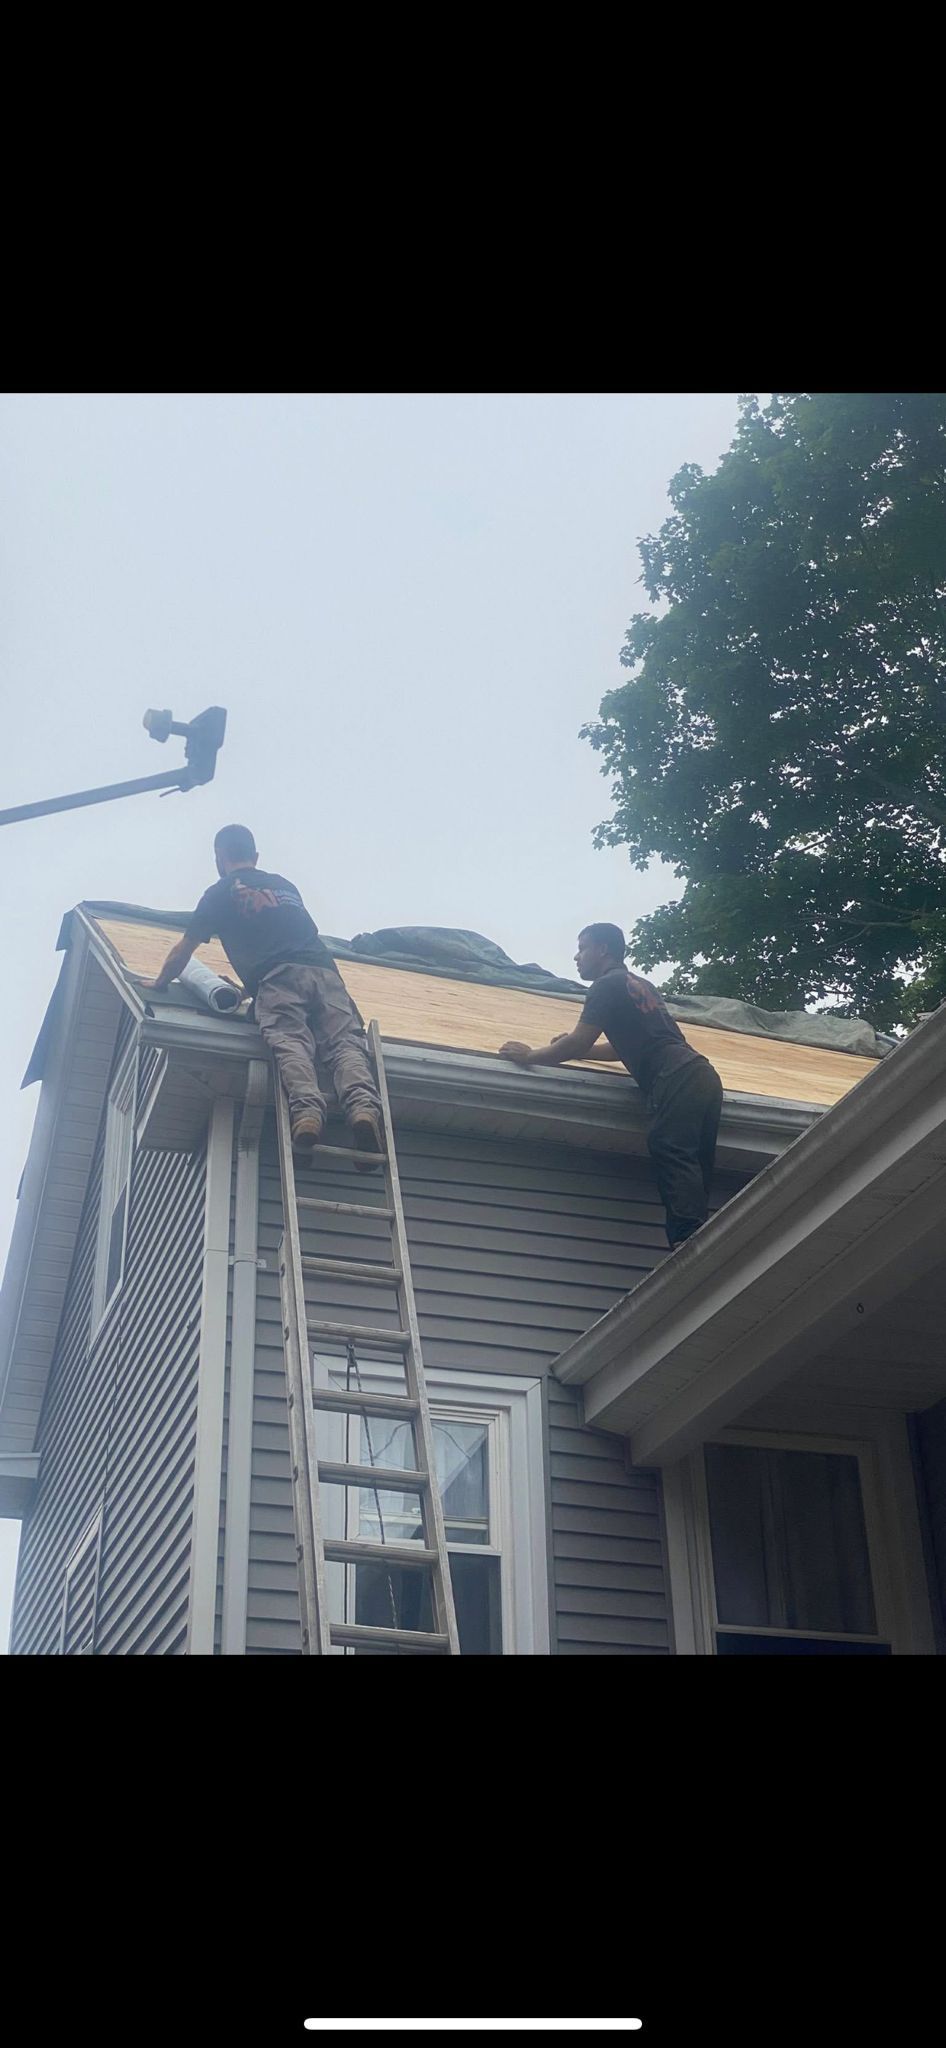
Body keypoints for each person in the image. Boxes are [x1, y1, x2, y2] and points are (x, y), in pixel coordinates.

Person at [147, 825, 383, 1161]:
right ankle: (362, 1109)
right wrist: (247, 985)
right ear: (255, 856)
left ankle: (308, 1114)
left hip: (278, 981)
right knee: (344, 1044)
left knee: (292, 1043)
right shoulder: (285, 886)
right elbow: (286, 940)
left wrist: (159, 982)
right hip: (326, 976)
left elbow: (184, 950)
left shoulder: (220, 893)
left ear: (219, 857)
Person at [499, 922, 723, 1249]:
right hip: (701, 1074)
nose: (577, 957)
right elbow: (624, 1046)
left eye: (582, 948)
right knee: (694, 1160)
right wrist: (586, 1051)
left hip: (673, 1076)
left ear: (603, 950)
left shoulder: (605, 986)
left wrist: (530, 1055)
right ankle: (705, 1238)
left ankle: (688, 1241)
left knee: (669, 1148)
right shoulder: (639, 984)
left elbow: (576, 1041)